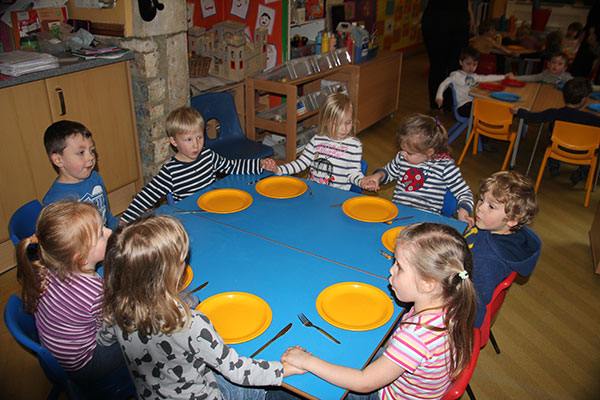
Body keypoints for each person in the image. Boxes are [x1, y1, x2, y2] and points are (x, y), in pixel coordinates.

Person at [98, 214, 300, 399]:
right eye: (181, 260)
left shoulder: (116, 307)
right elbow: (237, 369)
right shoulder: (190, 324)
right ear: (166, 274)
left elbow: (104, 339)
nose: (185, 265)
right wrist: (282, 370)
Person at [279, 222, 477, 400]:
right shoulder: (449, 299)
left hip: (384, 395)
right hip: (401, 379)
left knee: (291, 389)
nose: (391, 270)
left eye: (399, 266)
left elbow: (364, 383)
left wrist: (307, 361)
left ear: (427, 284)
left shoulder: (417, 337)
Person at [16, 201, 125, 385]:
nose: (109, 232)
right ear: (81, 258)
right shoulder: (93, 292)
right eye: (100, 234)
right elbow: (111, 329)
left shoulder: (44, 268)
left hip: (59, 354)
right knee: (142, 338)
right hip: (87, 365)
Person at [121, 106, 276, 222]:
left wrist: (259, 164)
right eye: (188, 140)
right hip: (191, 220)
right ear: (174, 141)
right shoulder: (170, 171)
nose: (196, 145)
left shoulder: (208, 156)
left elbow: (232, 166)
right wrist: (125, 220)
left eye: (199, 137)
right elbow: (147, 195)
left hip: (215, 211)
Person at [361, 114, 474, 226]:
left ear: (429, 152)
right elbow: (388, 172)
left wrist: (463, 211)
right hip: (398, 216)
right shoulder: (402, 157)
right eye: (402, 149)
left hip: (426, 223)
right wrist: (378, 177)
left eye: (409, 153)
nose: (403, 154)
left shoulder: (445, 167)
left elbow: (465, 193)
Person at [464, 171, 541, 328]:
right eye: (481, 199)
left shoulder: (486, 260)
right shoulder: (497, 229)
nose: (479, 209)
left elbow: (473, 304)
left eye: (491, 206)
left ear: (512, 220)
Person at [510, 77, 600, 182]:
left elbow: (533, 117)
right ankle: (582, 171)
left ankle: (554, 166)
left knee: (553, 137)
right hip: (585, 152)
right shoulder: (592, 118)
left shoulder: (554, 113)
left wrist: (519, 111)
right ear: (584, 99)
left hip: (558, 148)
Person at [274, 93, 369, 191]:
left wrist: (362, 181)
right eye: (337, 124)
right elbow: (301, 163)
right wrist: (279, 169)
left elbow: (353, 173)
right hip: (313, 192)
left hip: (336, 197)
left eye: (348, 122)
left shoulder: (355, 146)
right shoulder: (317, 140)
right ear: (326, 121)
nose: (343, 129)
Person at [43, 120, 119, 229]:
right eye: (81, 153)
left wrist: (118, 226)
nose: (91, 157)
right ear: (58, 160)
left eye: (92, 150)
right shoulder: (55, 202)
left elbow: (106, 215)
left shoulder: (95, 177)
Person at [421, 0, 476, 111]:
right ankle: (436, 104)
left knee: (456, 67)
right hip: (436, 22)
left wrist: (471, 15)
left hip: (459, 23)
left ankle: (451, 105)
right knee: (438, 66)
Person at [436, 47, 509, 119]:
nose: (471, 67)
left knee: (490, 105)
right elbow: (443, 84)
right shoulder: (456, 75)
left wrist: (504, 77)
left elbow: (487, 78)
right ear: (461, 62)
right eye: (468, 64)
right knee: (487, 110)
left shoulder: (474, 76)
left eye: (474, 64)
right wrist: (439, 97)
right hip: (463, 107)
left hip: (473, 104)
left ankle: (503, 113)